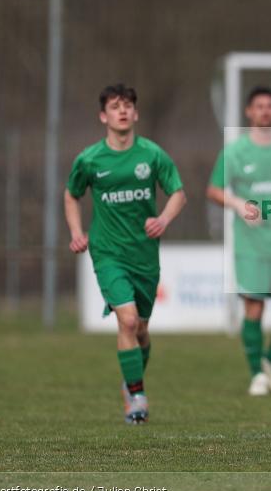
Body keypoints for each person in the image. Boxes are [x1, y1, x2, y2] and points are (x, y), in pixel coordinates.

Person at [64, 83, 186, 424]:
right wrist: (76, 232)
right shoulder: (89, 159)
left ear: (136, 113)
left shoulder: (152, 154)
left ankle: (130, 380)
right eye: (115, 106)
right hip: (107, 253)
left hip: (144, 255)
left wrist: (163, 219)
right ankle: (136, 396)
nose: (122, 111)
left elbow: (178, 193)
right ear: (103, 116)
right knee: (128, 321)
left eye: (127, 105)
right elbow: (72, 194)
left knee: (141, 330)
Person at [206, 86, 271, 396]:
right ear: (249, 112)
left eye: (269, 105)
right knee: (254, 309)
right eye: (259, 106)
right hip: (250, 244)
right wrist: (238, 204)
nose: (264, 111)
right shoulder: (235, 151)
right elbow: (214, 190)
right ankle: (257, 376)